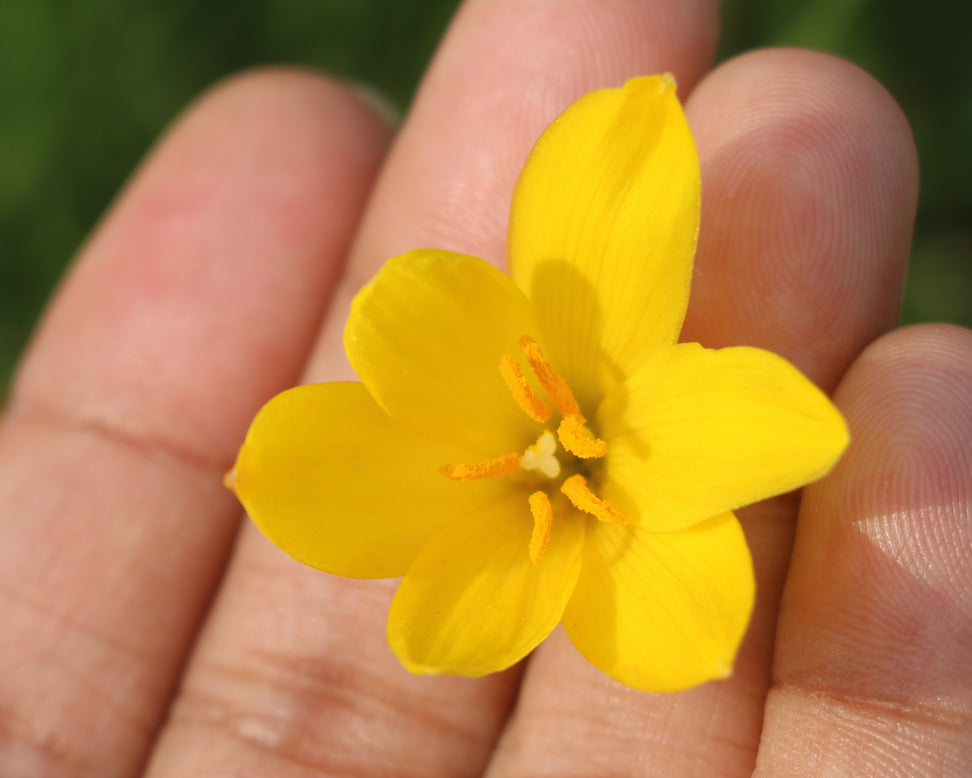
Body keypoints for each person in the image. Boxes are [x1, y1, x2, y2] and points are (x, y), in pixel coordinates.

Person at [1, 2, 969, 775]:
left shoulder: (599, 308)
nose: (550, 450)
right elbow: (289, 472)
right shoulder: (388, 495)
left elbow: (704, 599)